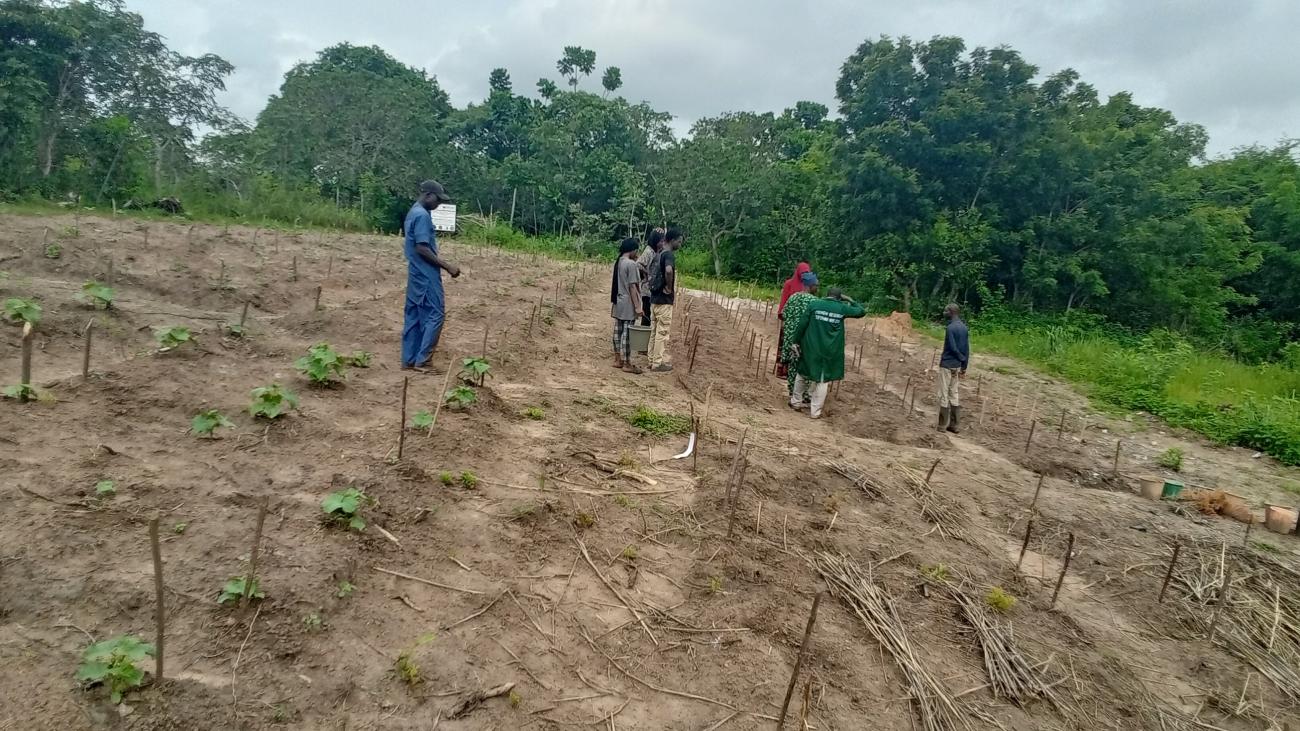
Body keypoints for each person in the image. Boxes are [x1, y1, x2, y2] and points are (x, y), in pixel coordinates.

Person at [401, 180, 461, 370]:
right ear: (428, 195)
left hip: (415, 274)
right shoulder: (422, 216)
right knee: (436, 314)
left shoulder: (413, 212)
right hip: (426, 275)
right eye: (437, 199)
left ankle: (408, 359)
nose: (439, 204)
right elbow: (422, 248)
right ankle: (424, 361)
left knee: (414, 315)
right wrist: (447, 266)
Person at [788, 288, 866, 419]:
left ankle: (796, 402)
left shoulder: (814, 304)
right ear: (839, 298)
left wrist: (795, 341)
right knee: (822, 380)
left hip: (810, 347)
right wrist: (850, 300)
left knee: (802, 373)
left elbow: (802, 324)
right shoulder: (842, 308)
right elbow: (861, 311)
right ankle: (815, 412)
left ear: (827, 295)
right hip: (829, 349)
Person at [646, 228, 683, 372]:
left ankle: (651, 360)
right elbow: (668, 270)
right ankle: (658, 363)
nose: (680, 245)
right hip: (664, 301)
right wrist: (669, 287)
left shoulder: (658, 253)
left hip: (654, 299)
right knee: (662, 332)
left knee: (654, 331)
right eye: (679, 242)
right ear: (672, 240)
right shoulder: (668, 255)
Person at [778, 271, 819, 396]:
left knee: (792, 366)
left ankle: (792, 392)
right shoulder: (815, 302)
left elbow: (784, 314)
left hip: (791, 338)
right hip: (805, 339)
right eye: (816, 285)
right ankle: (803, 395)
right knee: (804, 367)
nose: (818, 288)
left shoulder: (793, 297)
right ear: (810, 286)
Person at [610, 238, 644, 373]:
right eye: (637, 250)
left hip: (618, 301)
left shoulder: (619, 262)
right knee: (627, 333)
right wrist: (637, 306)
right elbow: (632, 287)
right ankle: (627, 363)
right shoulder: (631, 264)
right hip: (628, 303)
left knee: (617, 331)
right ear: (633, 250)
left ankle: (618, 359)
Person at [937, 303, 970, 433]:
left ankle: (942, 425)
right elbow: (967, 349)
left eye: (946, 311)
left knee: (943, 393)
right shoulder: (964, 328)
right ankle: (954, 425)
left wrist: (960, 357)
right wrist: (964, 365)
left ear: (951, 312)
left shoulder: (950, 328)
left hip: (947, 364)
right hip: (957, 366)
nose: (944, 312)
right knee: (954, 393)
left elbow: (952, 347)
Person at [776, 262, 812, 378]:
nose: (804, 275)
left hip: (803, 322)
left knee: (799, 346)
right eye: (803, 273)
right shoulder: (789, 284)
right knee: (786, 344)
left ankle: (795, 372)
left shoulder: (809, 285)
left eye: (807, 272)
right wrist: (783, 320)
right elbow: (783, 302)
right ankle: (783, 369)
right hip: (790, 320)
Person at [636, 228, 665, 327]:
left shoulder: (656, 252)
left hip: (652, 289)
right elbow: (638, 264)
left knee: (650, 315)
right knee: (647, 316)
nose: (662, 243)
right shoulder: (649, 251)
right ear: (656, 241)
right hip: (647, 289)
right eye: (661, 241)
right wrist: (647, 273)